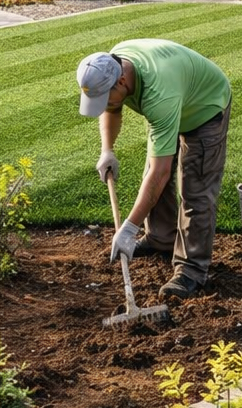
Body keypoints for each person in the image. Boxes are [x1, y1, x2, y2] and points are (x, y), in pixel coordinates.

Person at [76, 40, 232, 300]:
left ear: (122, 82)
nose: (103, 103)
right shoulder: (113, 65)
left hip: (205, 107)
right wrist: (107, 149)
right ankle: (161, 238)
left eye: (104, 96)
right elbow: (111, 108)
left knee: (195, 189)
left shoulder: (160, 94)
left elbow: (160, 173)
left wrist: (128, 229)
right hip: (173, 101)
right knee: (152, 175)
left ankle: (191, 270)